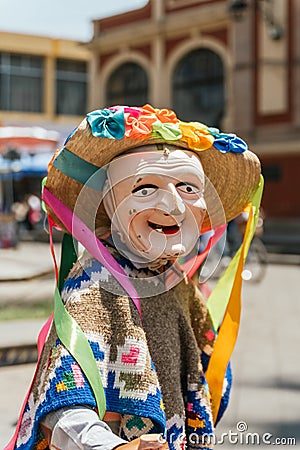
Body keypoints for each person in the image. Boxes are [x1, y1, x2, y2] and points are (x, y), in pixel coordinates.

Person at [6, 105, 261, 450]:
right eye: (145, 188)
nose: (173, 205)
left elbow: (204, 366)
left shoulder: (176, 283)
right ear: (110, 204)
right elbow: (63, 402)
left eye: (188, 187)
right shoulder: (94, 285)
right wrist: (112, 445)